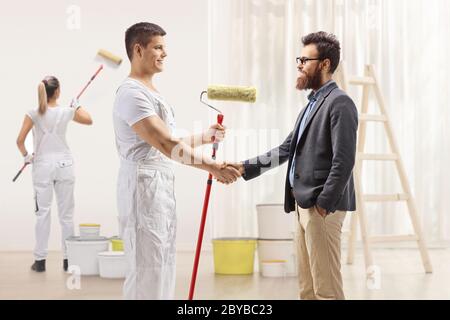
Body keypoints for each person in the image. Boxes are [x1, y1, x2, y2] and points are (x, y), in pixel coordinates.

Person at [113, 22, 240, 300]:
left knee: (162, 264)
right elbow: (165, 144)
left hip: (157, 188)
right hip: (142, 187)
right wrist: (212, 166)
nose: (164, 54)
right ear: (138, 49)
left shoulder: (151, 91)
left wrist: (205, 136)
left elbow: (169, 138)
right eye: (158, 47)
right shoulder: (131, 93)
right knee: (147, 270)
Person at [228, 31, 358, 300]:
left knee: (327, 288)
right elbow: (287, 149)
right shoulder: (310, 105)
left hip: (322, 208)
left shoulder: (340, 103)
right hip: (303, 206)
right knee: (307, 287)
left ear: (324, 64)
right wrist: (243, 167)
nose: (299, 64)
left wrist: (324, 203)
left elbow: (344, 160)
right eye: (298, 59)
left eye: (304, 59)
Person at [16, 76, 93, 272]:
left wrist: (26, 156)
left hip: (42, 166)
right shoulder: (66, 112)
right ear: (57, 91)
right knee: (66, 216)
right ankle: (68, 260)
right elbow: (88, 120)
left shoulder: (32, 113)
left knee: (43, 214)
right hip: (64, 165)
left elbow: (20, 140)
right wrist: (77, 106)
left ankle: (40, 261)